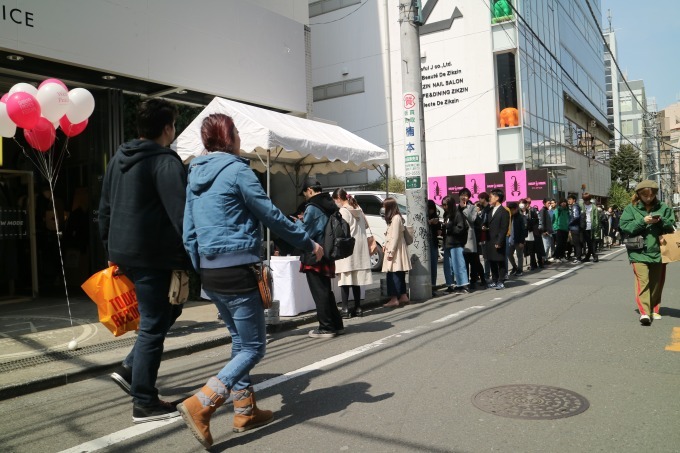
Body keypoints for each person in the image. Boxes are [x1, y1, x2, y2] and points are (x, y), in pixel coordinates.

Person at [178, 113, 323, 448]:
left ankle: (244, 408)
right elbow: (270, 214)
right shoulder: (237, 171)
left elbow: (188, 231)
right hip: (239, 269)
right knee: (255, 347)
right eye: (238, 133)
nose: (241, 137)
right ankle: (202, 403)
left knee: (239, 342)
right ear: (229, 139)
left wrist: (201, 266)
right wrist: (307, 242)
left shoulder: (194, 175)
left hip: (211, 272)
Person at [99, 98, 190, 423]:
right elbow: (181, 215)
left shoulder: (117, 159)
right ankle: (144, 401)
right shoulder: (165, 161)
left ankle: (128, 368)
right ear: (167, 128)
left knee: (170, 309)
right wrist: (194, 256)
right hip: (155, 256)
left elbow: (105, 209)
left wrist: (110, 250)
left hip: (125, 253)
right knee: (153, 325)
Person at [619, 180, 675, 326]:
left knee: (657, 282)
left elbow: (671, 225)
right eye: (645, 195)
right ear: (638, 194)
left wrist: (661, 221)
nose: (648, 198)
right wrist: (643, 221)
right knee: (643, 281)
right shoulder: (631, 208)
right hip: (638, 251)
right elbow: (625, 227)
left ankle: (654, 308)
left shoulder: (663, 207)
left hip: (660, 251)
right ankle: (644, 312)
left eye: (651, 195)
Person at [300, 177, 345, 338]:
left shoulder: (312, 207)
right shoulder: (329, 204)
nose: (305, 196)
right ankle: (337, 324)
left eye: (305, 193)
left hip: (315, 253)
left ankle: (326, 327)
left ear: (310, 190)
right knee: (326, 291)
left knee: (320, 292)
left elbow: (306, 232)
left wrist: (297, 223)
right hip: (328, 251)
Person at [332, 189, 373, 318]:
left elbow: (341, 230)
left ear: (339, 198)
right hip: (360, 247)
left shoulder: (343, 211)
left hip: (348, 247)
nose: (335, 203)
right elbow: (366, 226)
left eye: (335, 200)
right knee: (356, 280)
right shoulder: (358, 209)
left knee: (345, 279)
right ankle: (358, 308)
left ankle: (345, 309)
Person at [382, 197, 412, 306]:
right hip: (398, 250)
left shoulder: (395, 219)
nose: (383, 208)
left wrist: (390, 252)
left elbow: (394, 237)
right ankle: (403, 296)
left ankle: (394, 299)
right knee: (399, 274)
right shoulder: (396, 218)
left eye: (384, 206)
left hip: (395, 251)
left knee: (392, 274)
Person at [444, 192, 470, 293]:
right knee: (448, 266)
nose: (444, 207)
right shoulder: (447, 214)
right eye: (443, 205)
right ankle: (450, 285)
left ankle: (463, 285)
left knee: (459, 264)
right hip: (447, 243)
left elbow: (461, 228)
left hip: (456, 243)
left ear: (450, 204)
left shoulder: (458, 214)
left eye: (445, 205)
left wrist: (449, 227)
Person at [485, 189, 510, 289]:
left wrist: (499, 241)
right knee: (491, 260)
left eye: (491, 196)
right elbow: (487, 222)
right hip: (489, 239)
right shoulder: (490, 210)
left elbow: (504, 228)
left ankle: (501, 281)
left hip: (498, 240)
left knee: (500, 261)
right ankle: (494, 280)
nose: (489, 198)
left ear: (497, 198)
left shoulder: (504, 211)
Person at [459, 188, 483, 290]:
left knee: (473, 260)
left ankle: (473, 280)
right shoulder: (456, 208)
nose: (464, 197)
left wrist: (464, 209)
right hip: (459, 237)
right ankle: (465, 281)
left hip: (469, 237)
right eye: (462, 195)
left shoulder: (473, 207)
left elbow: (472, 219)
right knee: (462, 261)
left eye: (466, 195)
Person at [507, 202, 526, 277]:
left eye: (512, 210)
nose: (511, 211)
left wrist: (522, 241)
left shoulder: (521, 217)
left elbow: (523, 230)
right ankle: (514, 267)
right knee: (509, 254)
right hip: (510, 239)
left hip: (519, 240)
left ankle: (520, 269)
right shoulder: (509, 217)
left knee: (519, 255)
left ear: (516, 209)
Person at [427, 199, 442, 294]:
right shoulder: (423, 216)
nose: (431, 211)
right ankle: (428, 286)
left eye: (432, 209)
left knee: (433, 265)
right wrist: (429, 222)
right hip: (426, 244)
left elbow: (439, 231)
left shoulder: (435, 217)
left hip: (433, 243)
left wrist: (437, 225)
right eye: (429, 209)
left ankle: (433, 285)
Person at [579, 193, 600, 262]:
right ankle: (593, 255)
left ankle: (590, 256)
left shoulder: (594, 207)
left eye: (587, 200)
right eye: (584, 200)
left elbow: (596, 218)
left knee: (591, 242)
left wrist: (596, 227)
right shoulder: (581, 205)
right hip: (584, 226)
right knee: (588, 242)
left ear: (589, 199)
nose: (586, 201)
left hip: (591, 226)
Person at [567, 194, 582, 263]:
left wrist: (569, 223)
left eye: (570, 199)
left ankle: (578, 258)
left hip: (575, 227)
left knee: (576, 243)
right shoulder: (573, 206)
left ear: (574, 200)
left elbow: (576, 217)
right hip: (575, 227)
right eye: (568, 199)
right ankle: (578, 257)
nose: (569, 201)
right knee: (576, 243)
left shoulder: (575, 206)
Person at [539, 198, 554, 262]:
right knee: (546, 246)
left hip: (548, 231)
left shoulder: (546, 210)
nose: (549, 204)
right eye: (548, 203)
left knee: (548, 245)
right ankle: (543, 259)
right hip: (545, 232)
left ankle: (545, 259)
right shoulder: (543, 210)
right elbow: (542, 221)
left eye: (550, 203)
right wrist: (543, 231)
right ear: (544, 203)